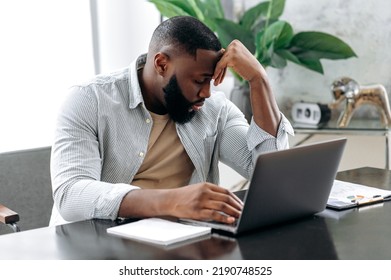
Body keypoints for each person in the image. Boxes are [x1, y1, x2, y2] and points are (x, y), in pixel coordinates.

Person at [49, 16, 294, 226]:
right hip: (97, 244)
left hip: (181, 242)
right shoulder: (89, 99)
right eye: (199, 81)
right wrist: (173, 201)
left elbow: (271, 174)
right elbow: (70, 195)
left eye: (212, 81)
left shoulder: (214, 109)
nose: (207, 93)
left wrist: (258, 80)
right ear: (161, 64)